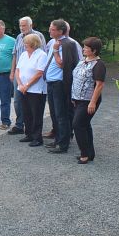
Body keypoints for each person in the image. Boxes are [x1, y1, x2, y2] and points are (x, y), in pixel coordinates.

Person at [44, 19, 80, 154]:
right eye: (50, 28)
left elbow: (63, 65)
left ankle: (63, 144)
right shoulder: (54, 42)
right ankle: (57, 139)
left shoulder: (68, 44)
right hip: (51, 82)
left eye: (52, 29)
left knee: (61, 114)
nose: (49, 31)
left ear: (60, 31)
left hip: (60, 83)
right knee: (54, 113)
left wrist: (55, 51)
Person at [72, 37, 106, 164]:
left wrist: (92, 102)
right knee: (85, 125)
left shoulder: (99, 65)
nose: (83, 49)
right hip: (78, 99)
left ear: (94, 50)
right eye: (84, 46)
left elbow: (99, 85)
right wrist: (73, 97)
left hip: (88, 100)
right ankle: (90, 153)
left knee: (77, 124)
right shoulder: (83, 61)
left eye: (86, 47)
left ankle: (84, 154)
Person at [9, 17, 46, 135]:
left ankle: (34, 132)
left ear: (30, 25)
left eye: (24, 25)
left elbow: (42, 57)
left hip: (34, 80)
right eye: (20, 25)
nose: (21, 28)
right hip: (20, 76)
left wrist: (28, 83)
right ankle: (20, 125)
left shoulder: (38, 36)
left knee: (33, 107)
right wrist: (13, 72)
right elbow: (15, 55)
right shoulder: (19, 37)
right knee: (18, 101)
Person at [15, 33, 48, 146]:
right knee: (26, 112)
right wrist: (20, 84)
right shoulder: (24, 54)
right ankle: (28, 134)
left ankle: (37, 137)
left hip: (36, 90)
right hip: (23, 88)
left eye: (26, 43)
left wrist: (27, 85)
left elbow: (39, 73)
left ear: (33, 44)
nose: (24, 45)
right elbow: (17, 69)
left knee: (36, 113)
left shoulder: (41, 55)